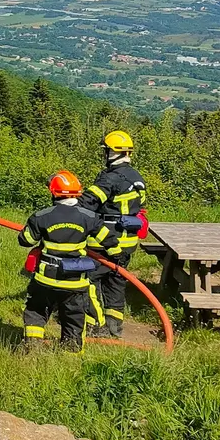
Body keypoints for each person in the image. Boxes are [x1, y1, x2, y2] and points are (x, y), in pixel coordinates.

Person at [18, 171, 117, 351]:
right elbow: (110, 242)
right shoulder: (89, 217)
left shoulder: (41, 216)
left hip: (45, 279)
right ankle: (70, 355)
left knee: (36, 311)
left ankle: (32, 346)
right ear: (78, 192)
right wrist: (116, 257)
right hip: (75, 281)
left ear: (53, 192)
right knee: (73, 317)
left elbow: (25, 240)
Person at [84, 130, 148, 339]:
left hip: (105, 242)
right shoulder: (136, 177)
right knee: (116, 281)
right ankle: (114, 326)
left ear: (112, 152)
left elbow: (88, 202)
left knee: (87, 279)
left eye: (106, 151)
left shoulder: (110, 179)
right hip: (128, 241)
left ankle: (96, 325)